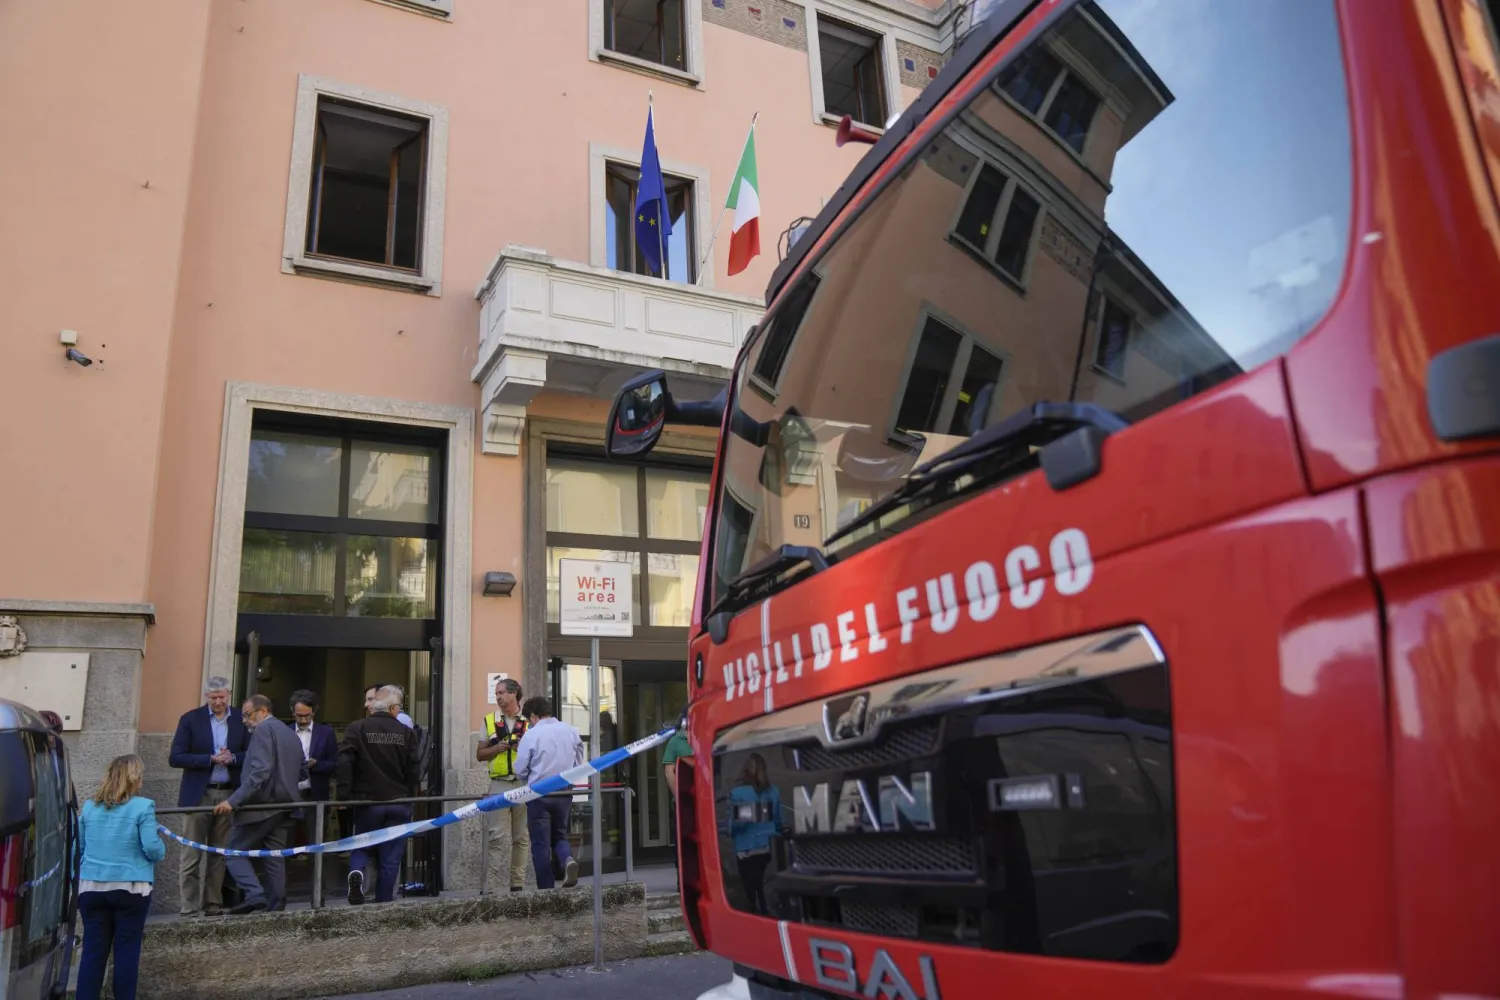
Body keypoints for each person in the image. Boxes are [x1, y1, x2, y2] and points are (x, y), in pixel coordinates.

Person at [75, 754, 165, 1000]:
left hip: (91, 887)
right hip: (131, 887)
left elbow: (78, 848)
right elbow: (152, 848)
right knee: (126, 952)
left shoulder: (89, 807)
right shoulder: (143, 806)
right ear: (134, 778)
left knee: (92, 953)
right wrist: (161, 850)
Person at [215, 694, 306, 914]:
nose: (244, 720)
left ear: (263, 710)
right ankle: (276, 906)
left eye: (248, 715)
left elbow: (260, 772)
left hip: (262, 806)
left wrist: (233, 801)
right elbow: (303, 772)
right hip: (286, 807)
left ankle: (255, 895)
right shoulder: (290, 733)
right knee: (274, 856)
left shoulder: (263, 730)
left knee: (233, 852)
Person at [168, 675, 248, 917]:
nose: (218, 702)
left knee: (219, 854)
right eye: (213, 698)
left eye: (221, 697)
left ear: (229, 694)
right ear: (206, 696)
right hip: (198, 795)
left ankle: (212, 905)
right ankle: (189, 908)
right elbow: (176, 757)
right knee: (191, 854)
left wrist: (233, 758)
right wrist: (209, 759)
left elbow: (252, 753)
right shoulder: (190, 719)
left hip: (228, 794)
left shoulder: (241, 719)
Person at [337, 684, 421, 904]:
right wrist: (409, 796)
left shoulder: (357, 728)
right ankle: (383, 903)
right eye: (399, 707)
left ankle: (357, 871)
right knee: (390, 859)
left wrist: (343, 796)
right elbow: (414, 770)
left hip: (367, 802)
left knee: (361, 844)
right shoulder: (407, 733)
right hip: (398, 802)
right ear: (393, 708)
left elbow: (344, 762)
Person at [512, 696, 583, 890]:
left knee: (540, 844)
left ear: (533, 716)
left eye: (529, 719)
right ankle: (567, 859)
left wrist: (528, 775)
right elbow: (578, 761)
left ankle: (546, 889)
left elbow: (520, 769)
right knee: (560, 835)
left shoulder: (531, 735)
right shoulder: (571, 730)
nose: (529, 723)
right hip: (564, 791)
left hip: (539, 794)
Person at [477, 677, 529, 893]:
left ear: (513, 694)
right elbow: (480, 754)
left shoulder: (529, 721)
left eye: (501, 693)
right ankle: (490, 886)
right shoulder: (489, 720)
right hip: (498, 784)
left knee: (521, 837)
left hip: (523, 783)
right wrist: (497, 748)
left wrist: (521, 747)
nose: (497, 697)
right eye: (496, 693)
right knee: (495, 836)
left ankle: (517, 884)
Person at [724, 753, 782, 915]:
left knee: (749, 893)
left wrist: (730, 831)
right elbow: (778, 821)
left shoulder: (737, 793)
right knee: (764, 890)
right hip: (766, 849)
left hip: (746, 851)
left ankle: (754, 917)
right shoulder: (773, 792)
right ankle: (766, 915)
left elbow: (738, 825)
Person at [289, 689, 337, 850]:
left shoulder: (326, 733)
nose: (303, 720)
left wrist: (316, 764)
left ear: (314, 712)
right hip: (289, 794)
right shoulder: (285, 731)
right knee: (286, 840)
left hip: (315, 793)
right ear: (292, 712)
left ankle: (315, 866)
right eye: (299, 716)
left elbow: (335, 764)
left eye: (307, 716)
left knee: (316, 841)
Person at [661, 723, 693, 890]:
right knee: (683, 842)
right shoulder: (675, 742)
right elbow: (669, 771)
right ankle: (683, 883)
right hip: (684, 803)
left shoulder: (703, 738)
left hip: (704, 801)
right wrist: (679, 797)